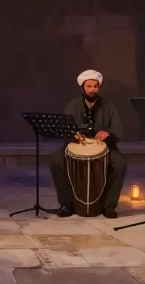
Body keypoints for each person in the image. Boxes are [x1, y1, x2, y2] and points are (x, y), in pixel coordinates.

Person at [47, 70, 128, 219]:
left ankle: (109, 206)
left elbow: (117, 128)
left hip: (104, 146)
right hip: (78, 145)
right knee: (55, 161)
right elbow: (65, 128)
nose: (92, 90)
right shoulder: (74, 105)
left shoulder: (108, 105)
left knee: (120, 164)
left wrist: (107, 133)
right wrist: (73, 134)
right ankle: (66, 204)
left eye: (95, 86)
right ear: (83, 87)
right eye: (89, 86)